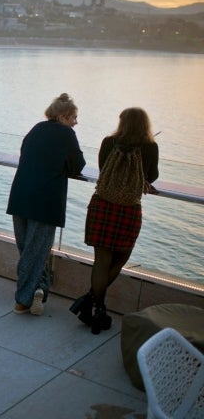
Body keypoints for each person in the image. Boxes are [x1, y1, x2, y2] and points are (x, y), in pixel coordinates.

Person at [70, 107, 159, 334]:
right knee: (122, 256)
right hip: (128, 209)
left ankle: (95, 307)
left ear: (122, 123)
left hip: (102, 205)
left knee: (101, 260)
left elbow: (102, 168)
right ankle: (93, 305)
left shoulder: (109, 142)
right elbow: (152, 176)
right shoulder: (150, 147)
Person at [7, 93, 86, 316]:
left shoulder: (36, 129)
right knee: (35, 251)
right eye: (74, 117)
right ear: (62, 116)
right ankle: (22, 301)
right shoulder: (66, 134)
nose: (76, 122)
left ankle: (39, 289)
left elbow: (25, 155)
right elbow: (77, 166)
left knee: (28, 251)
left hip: (21, 195)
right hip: (45, 201)